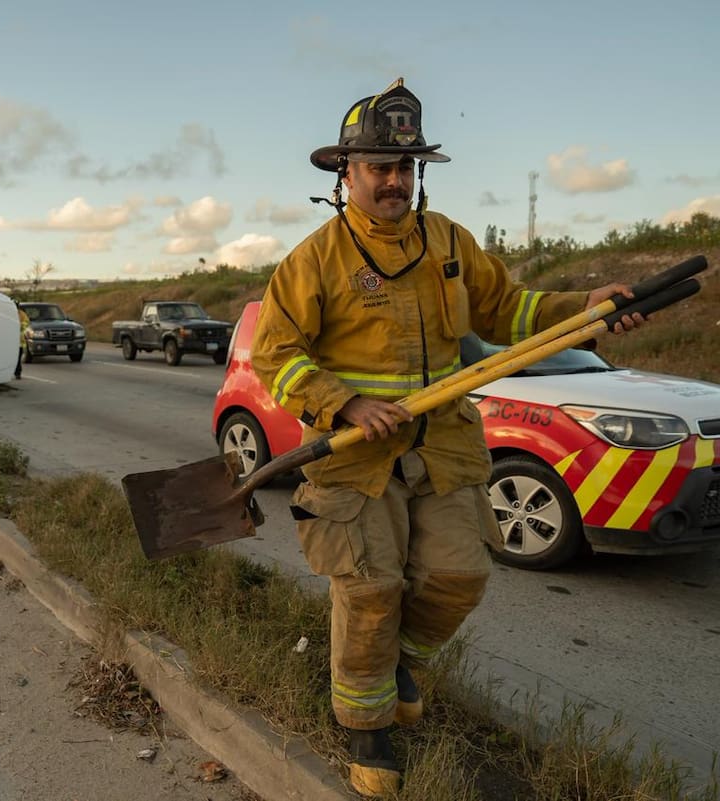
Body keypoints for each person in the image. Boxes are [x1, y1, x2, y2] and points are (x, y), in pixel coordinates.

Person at [249, 77, 643, 798]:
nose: (395, 180)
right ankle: (367, 727)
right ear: (348, 172)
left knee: (460, 576)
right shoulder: (315, 259)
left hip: (446, 447)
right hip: (354, 458)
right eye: (379, 167)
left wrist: (584, 306)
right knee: (370, 589)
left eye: (405, 167)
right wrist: (345, 401)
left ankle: (395, 663)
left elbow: (509, 310)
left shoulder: (451, 244)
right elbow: (275, 355)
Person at [14, 304, 30, 379]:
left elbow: (26, 323)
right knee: (14, 359)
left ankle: (18, 373)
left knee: (17, 359)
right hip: (10, 342)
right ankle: (15, 372)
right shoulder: (9, 313)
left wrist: (19, 325)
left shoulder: (22, 314)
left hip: (19, 342)